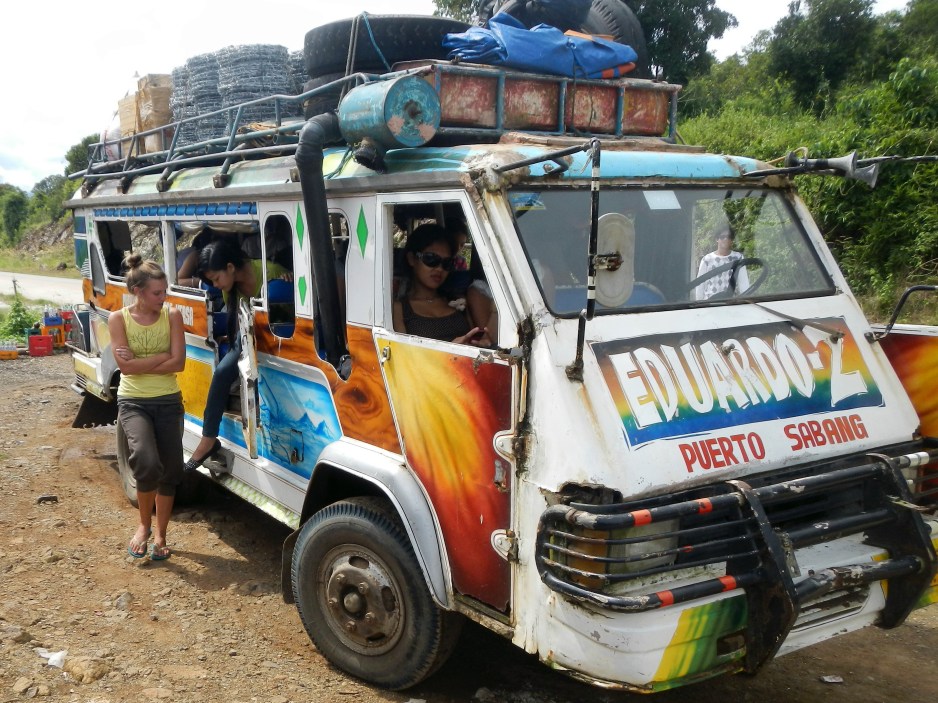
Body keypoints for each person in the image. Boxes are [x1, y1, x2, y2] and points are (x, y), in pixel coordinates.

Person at [185, 238, 290, 471]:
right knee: (222, 371)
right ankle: (208, 438)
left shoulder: (269, 271)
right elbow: (239, 324)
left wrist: (289, 280)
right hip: (248, 339)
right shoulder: (228, 290)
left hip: (280, 338)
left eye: (216, 278)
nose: (216, 284)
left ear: (230, 268)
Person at [108, 254, 186, 560]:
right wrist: (160, 357)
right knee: (145, 459)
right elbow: (125, 369)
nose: (163, 298)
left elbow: (178, 363)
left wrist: (140, 363)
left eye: (165, 291)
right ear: (138, 292)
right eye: (157, 293)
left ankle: (161, 535)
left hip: (169, 400)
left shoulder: (173, 316)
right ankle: (143, 526)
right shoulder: (119, 319)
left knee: (171, 469)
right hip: (134, 401)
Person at [392, 223, 488, 345]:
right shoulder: (400, 309)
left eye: (447, 263)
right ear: (412, 259)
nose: (439, 269)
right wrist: (450, 351)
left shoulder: (458, 300)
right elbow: (401, 355)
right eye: (431, 259)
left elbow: (478, 339)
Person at [695, 225, 750, 300]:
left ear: (732, 240)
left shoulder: (738, 258)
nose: (726, 239)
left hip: (732, 304)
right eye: (722, 237)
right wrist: (700, 306)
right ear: (717, 239)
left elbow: (744, 284)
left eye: (729, 237)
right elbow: (700, 287)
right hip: (710, 304)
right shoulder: (707, 260)